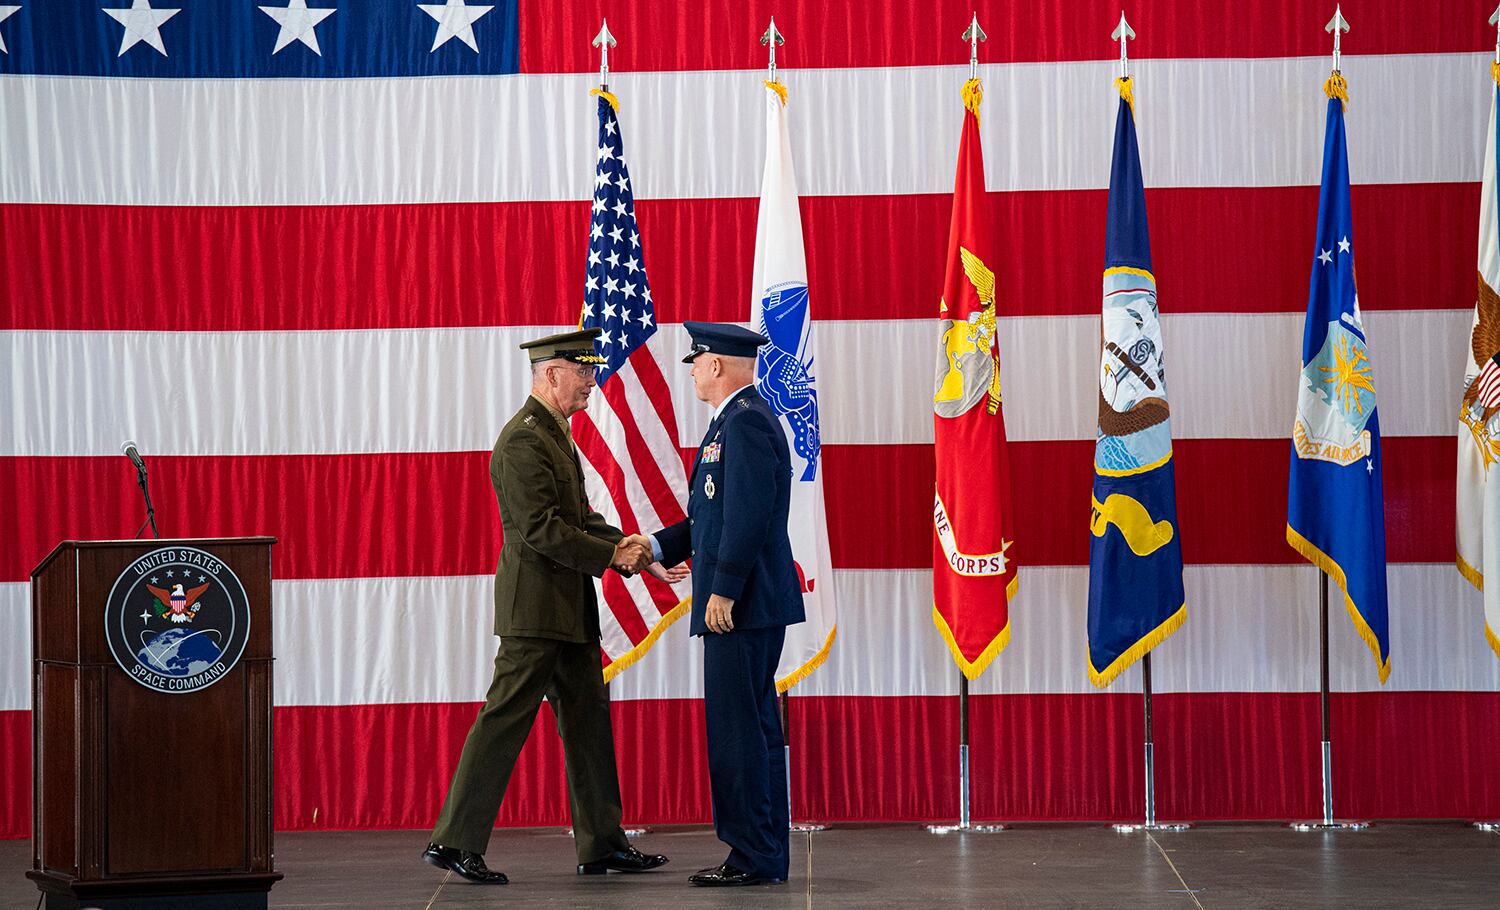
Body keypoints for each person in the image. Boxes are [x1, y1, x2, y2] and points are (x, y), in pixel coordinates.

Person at [422, 328, 670, 884]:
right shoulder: (523, 440)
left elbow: (579, 520)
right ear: (550, 373)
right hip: (535, 611)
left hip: (566, 609)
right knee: (505, 718)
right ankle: (454, 841)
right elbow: (540, 531)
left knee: (588, 723)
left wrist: (638, 551)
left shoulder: (555, 435)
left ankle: (603, 844)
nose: (591, 381)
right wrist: (616, 556)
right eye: (583, 371)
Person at [648, 322, 806, 887]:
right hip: (744, 600)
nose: (691, 370)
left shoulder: (745, 423)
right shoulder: (733, 423)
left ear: (715, 365)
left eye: (695, 362)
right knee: (751, 728)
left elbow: (748, 515)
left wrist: (724, 587)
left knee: (741, 733)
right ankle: (759, 853)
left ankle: (752, 856)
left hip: (740, 605)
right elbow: (709, 517)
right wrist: (654, 546)